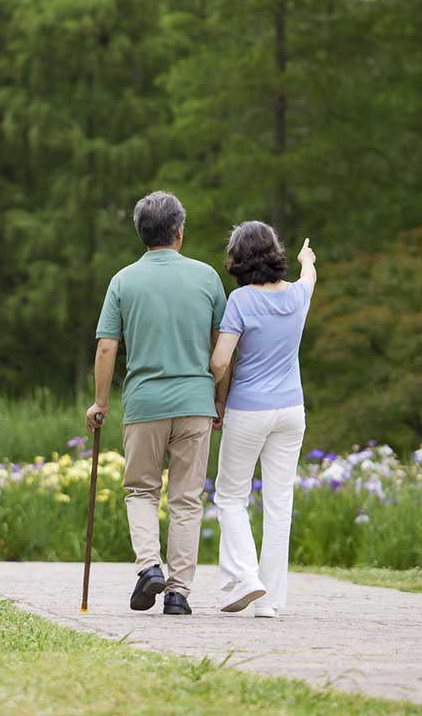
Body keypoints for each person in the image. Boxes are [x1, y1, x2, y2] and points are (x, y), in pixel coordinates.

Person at [86, 191, 226, 615]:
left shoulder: (124, 280)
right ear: (179, 232)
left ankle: (149, 566)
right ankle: (179, 594)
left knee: (141, 491)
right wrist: (219, 399)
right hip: (195, 402)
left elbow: (108, 347)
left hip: (145, 403)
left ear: (141, 233)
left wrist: (100, 403)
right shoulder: (206, 278)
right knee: (186, 498)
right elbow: (223, 348)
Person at [210, 221, 317, 617]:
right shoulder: (297, 296)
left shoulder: (241, 301)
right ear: (274, 254)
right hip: (292, 411)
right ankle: (270, 602)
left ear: (239, 259)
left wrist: (210, 384)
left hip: (249, 410)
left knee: (231, 495)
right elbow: (309, 276)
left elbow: (222, 360)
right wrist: (307, 259)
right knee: (278, 504)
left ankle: (245, 577)